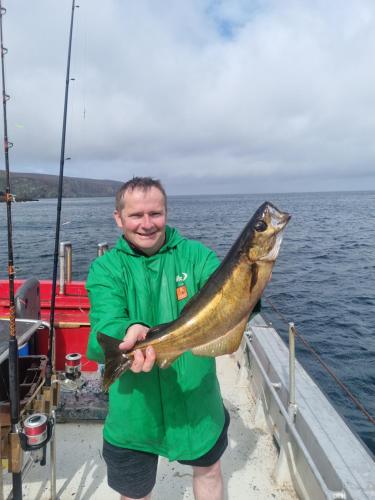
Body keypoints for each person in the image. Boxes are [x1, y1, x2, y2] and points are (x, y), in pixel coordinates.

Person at [86, 177, 229, 500]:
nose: (147, 224)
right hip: (134, 411)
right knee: (134, 493)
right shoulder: (105, 269)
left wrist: (252, 285)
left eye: (156, 213)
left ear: (167, 213)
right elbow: (105, 319)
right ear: (118, 218)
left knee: (209, 472)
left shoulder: (197, 256)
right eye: (136, 215)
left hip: (197, 401)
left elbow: (227, 299)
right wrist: (126, 331)